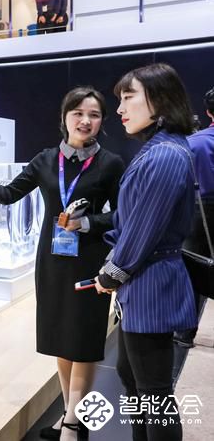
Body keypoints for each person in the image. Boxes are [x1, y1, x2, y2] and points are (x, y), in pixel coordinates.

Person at [0, 87, 125, 440]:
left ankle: (73, 422)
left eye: (94, 115)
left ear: (102, 121)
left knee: (83, 342)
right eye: (78, 113)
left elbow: (122, 215)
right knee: (61, 339)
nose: (85, 121)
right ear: (65, 117)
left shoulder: (110, 163)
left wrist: (87, 223)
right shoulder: (45, 160)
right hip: (52, 262)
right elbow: (9, 194)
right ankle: (71, 415)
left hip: (88, 262)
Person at [95, 63, 198, 441]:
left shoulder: (165, 154)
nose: (120, 109)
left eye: (128, 98)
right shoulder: (158, 150)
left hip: (151, 283)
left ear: (160, 100)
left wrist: (112, 273)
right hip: (141, 284)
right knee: (134, 379)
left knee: (154, 392)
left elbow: (143, 229)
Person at [173, 86, 214, 348]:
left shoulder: (194, 142)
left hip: (201, 211)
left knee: (193, 270)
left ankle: (185, 333)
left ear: (208, 112)